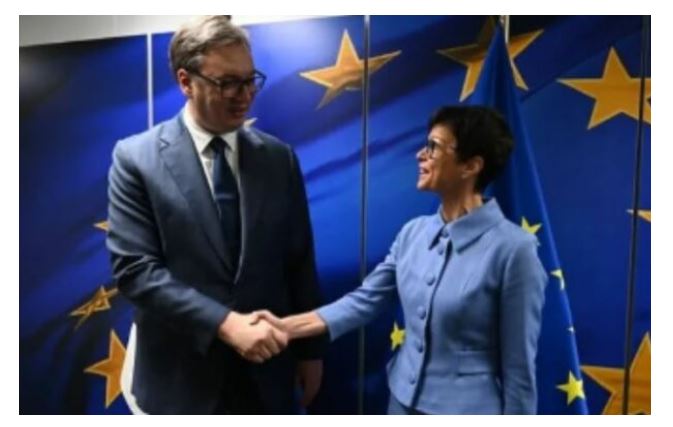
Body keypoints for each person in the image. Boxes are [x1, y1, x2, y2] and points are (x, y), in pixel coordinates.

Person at [256, 106, 547, 414]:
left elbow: (519, 369)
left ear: (471, 166)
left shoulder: (515, 250)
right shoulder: (413, 233)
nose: (420, 155)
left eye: (434, 146)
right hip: (400, 402)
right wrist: (285, 327)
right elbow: (364, 301)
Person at [106, 15, 325, 414]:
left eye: (250, 80)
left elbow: (298, 261)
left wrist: (310, 351)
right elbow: (136, 271)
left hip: (266, 375)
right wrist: (225, 323)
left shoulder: (279, 159)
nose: (244, 95)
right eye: (227, 82)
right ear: (186, 81)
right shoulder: (136, 159)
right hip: (180, 378)